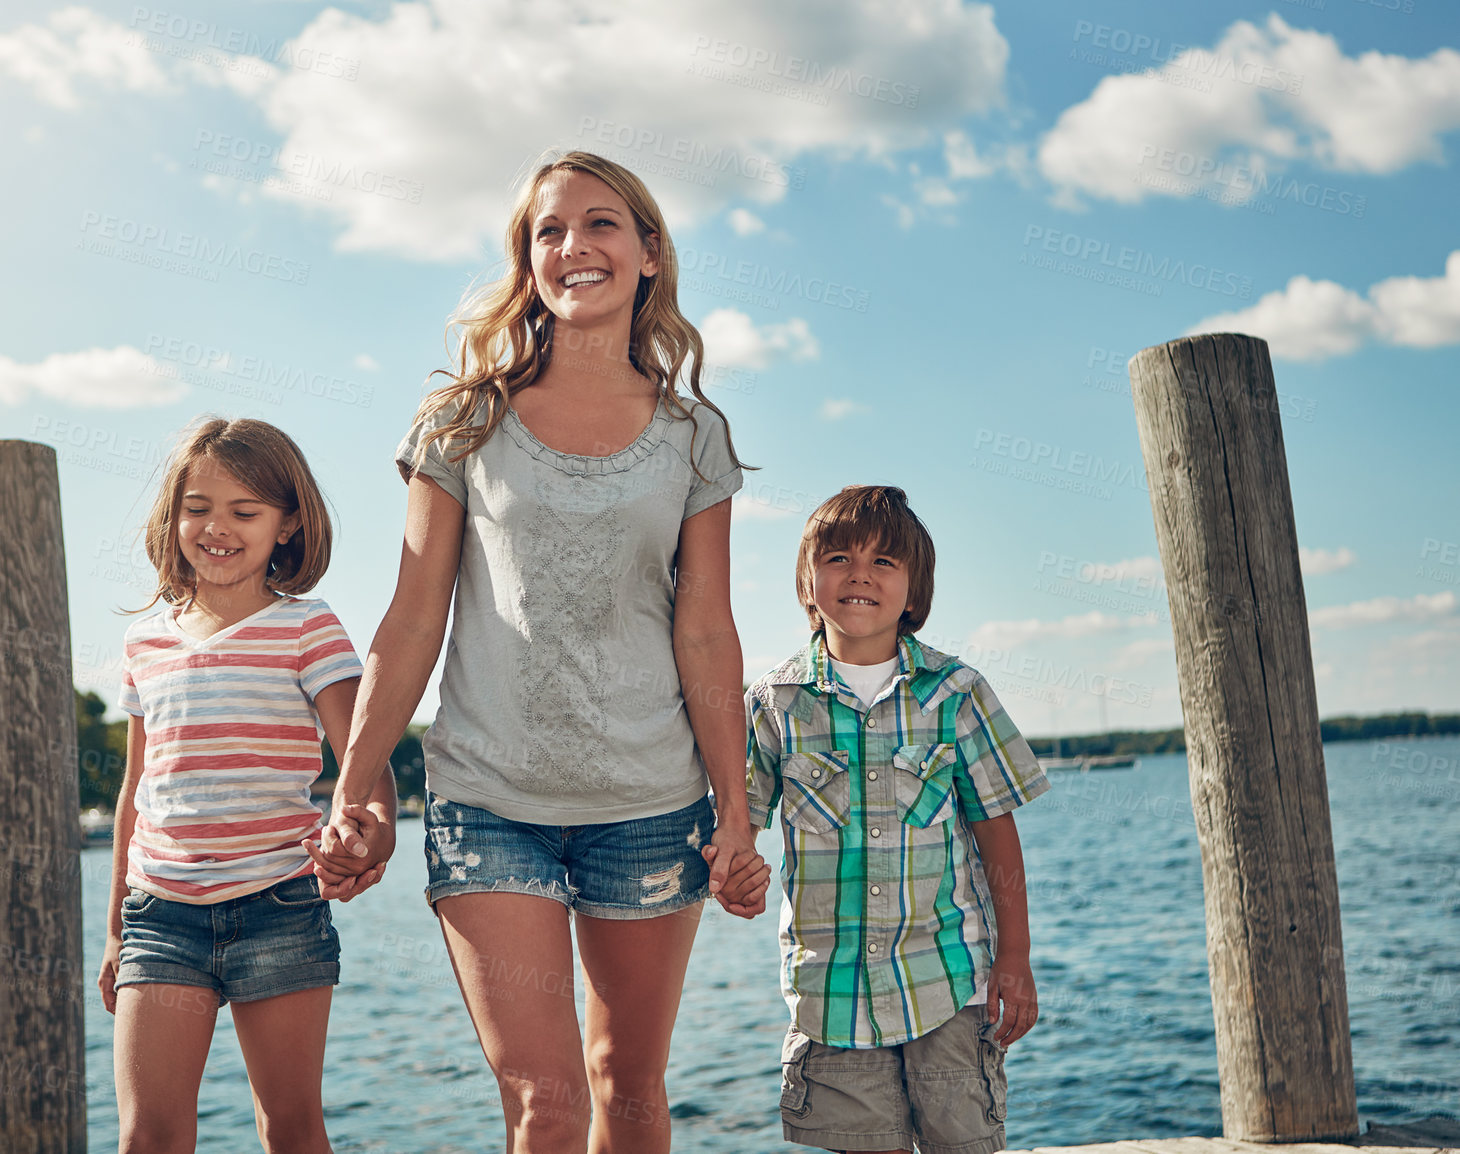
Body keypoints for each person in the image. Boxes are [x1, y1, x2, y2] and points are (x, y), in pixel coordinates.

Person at [306, 149, 770, 1153]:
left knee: (629, 1084)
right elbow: (412, 617)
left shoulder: (695, 438)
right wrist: (355, 788)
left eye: (600, 223)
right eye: (547, 231)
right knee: (546, 1101)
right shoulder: (463, 422)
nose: (573, 247)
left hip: (649, 805)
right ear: (528, 262)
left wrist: (734, 812)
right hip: (487, 801)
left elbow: (705, 631)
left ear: (649, 253)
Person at [97, 417, 390, 1154]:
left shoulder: (309, 628)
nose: (217, 527)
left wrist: (374, 823)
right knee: (147, 1135)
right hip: (159, 916)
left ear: (287, 525)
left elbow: (365, 752)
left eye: (244, 511)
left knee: (289, 1128)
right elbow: (137, 787)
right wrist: (112, 931)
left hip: (279, 905)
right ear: (174, 517)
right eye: (198, 507)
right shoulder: (146, 642)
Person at [744, 485, 1051, 1154]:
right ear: (807, 581)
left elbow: (997, 829)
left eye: (884, 561)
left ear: (914, 591)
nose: (859, 574)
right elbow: (741, 823)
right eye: (838, 557)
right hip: (831, 992)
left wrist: (1016, 958)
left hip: (949, 982)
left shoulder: (957, 693)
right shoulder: (774, 703)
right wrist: (734, 868)